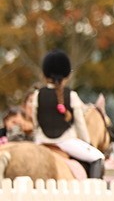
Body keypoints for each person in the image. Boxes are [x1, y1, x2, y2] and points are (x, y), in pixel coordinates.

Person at [29, 50, 106, 178]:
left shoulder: (38, 95)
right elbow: (80, 124)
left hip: (41, 141)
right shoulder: (71, 95)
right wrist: (87, 142)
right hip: (65, 141)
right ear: (66, 75)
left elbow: (35, 122)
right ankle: (93, 192)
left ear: (45, 74)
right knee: (98, 157)